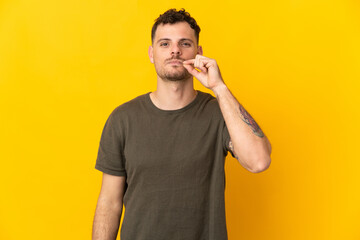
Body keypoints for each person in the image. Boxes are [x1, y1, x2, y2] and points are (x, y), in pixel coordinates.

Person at [92, 8, 272, 240]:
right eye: (165, 44)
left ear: (198, 53)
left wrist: (219, 88)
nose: (175, 50)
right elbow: (109, 202)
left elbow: (259, 161)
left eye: (184, 43)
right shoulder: (122, 119)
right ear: (151, 53)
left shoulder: (219, 113)